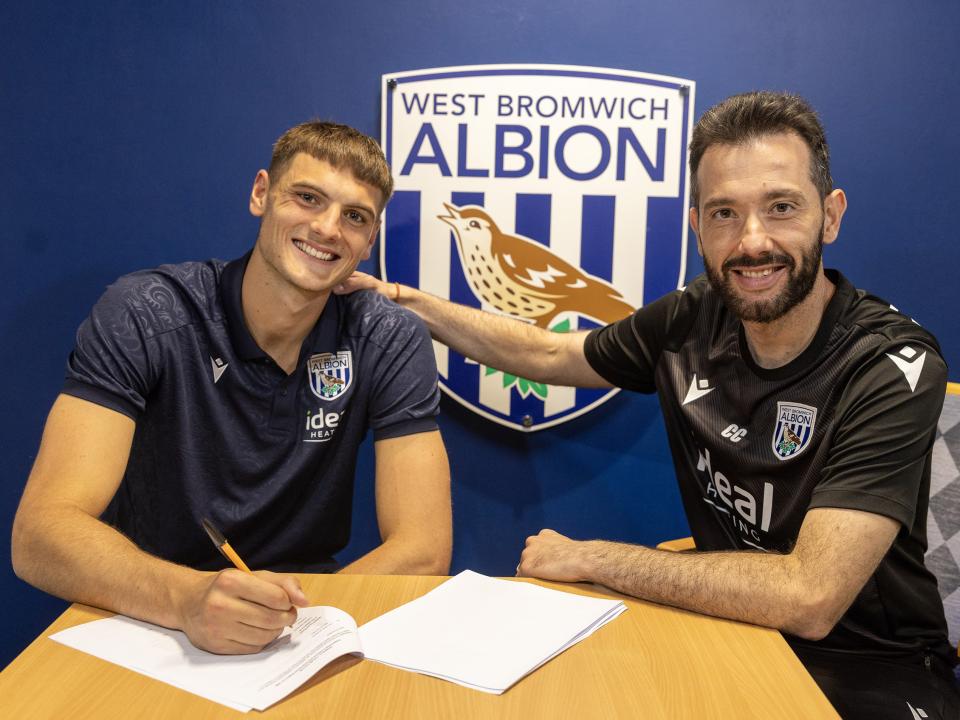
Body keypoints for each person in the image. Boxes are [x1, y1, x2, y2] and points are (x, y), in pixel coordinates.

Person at [336, 93, 959, 717]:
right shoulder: (693, 317)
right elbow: (555, 356)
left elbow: (809, 597)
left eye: (781, 207)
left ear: (830, 216)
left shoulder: (889, 365)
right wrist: (403, 302)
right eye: (723, 213)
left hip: (871, 668)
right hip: (729, 634)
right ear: (696, 227)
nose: (752, 241)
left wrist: (593, 558)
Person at [11, 121, 452, 655]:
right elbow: (40, 535)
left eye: (355, 216)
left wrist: (293, 622)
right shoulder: (146, 313)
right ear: (261, 193)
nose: (329, 229)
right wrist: (187, 599)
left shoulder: (386, 335)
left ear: (370, 239)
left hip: (306, 621)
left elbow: (424, 550)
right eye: (308, 198)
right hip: (147, 613)